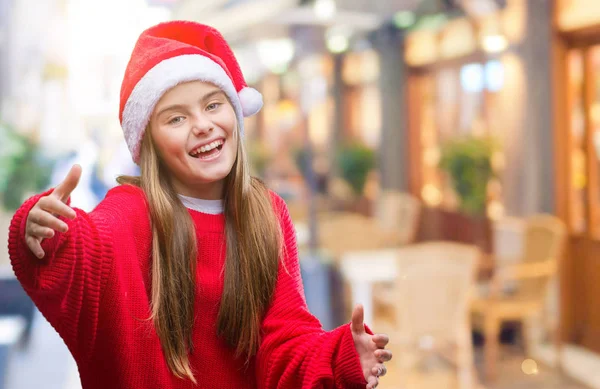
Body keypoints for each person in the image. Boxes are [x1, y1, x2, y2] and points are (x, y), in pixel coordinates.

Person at [7, 21, 392, 389]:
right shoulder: (128, 214)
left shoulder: (267, 212)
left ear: (235, 113)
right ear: (150, 143)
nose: (202, 125)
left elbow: (284, 343)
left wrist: (337, 357)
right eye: (176, 118)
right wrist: (39, 227)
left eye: (212, 105)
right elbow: (80, 257)